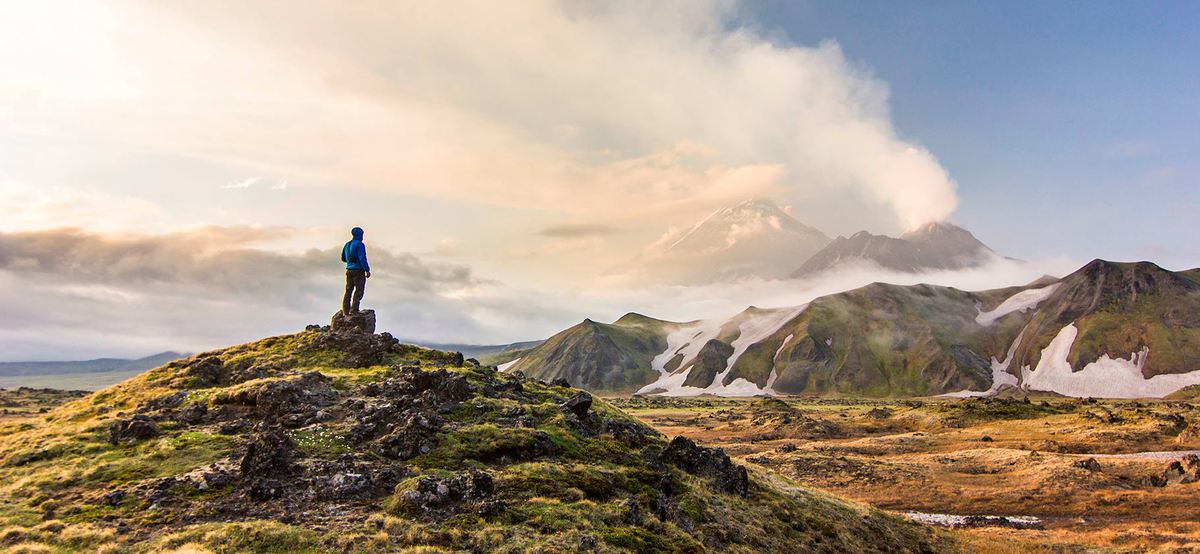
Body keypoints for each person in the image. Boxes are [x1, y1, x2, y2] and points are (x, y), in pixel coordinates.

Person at [341, 227, 371, 314]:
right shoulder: (360, 244)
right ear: (360, 235)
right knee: (359, 290)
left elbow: (343, 258)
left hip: (349, 270)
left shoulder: (347, 245)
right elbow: (362, 258)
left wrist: (350, 261)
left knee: (348, 290)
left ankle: (345, 310)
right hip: (358, 270)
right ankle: (354, 309)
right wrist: (367, 270)